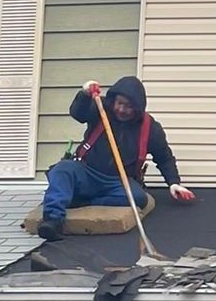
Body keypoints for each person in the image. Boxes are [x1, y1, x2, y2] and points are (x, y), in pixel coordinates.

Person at [38, 76, 193, 241]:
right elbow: (78, 113)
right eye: (119, 103)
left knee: (138, 198)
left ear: (138, 108)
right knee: (62, 170)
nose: (121, 109)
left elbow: (164, 157)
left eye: (128, 106)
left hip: (117, 181)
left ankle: (84, 200)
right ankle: (53, 220)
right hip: (86, 171)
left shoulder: (150, 128)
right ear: (114, 100)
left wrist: (173, 183)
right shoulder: (100, 107)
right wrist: (84, 94)